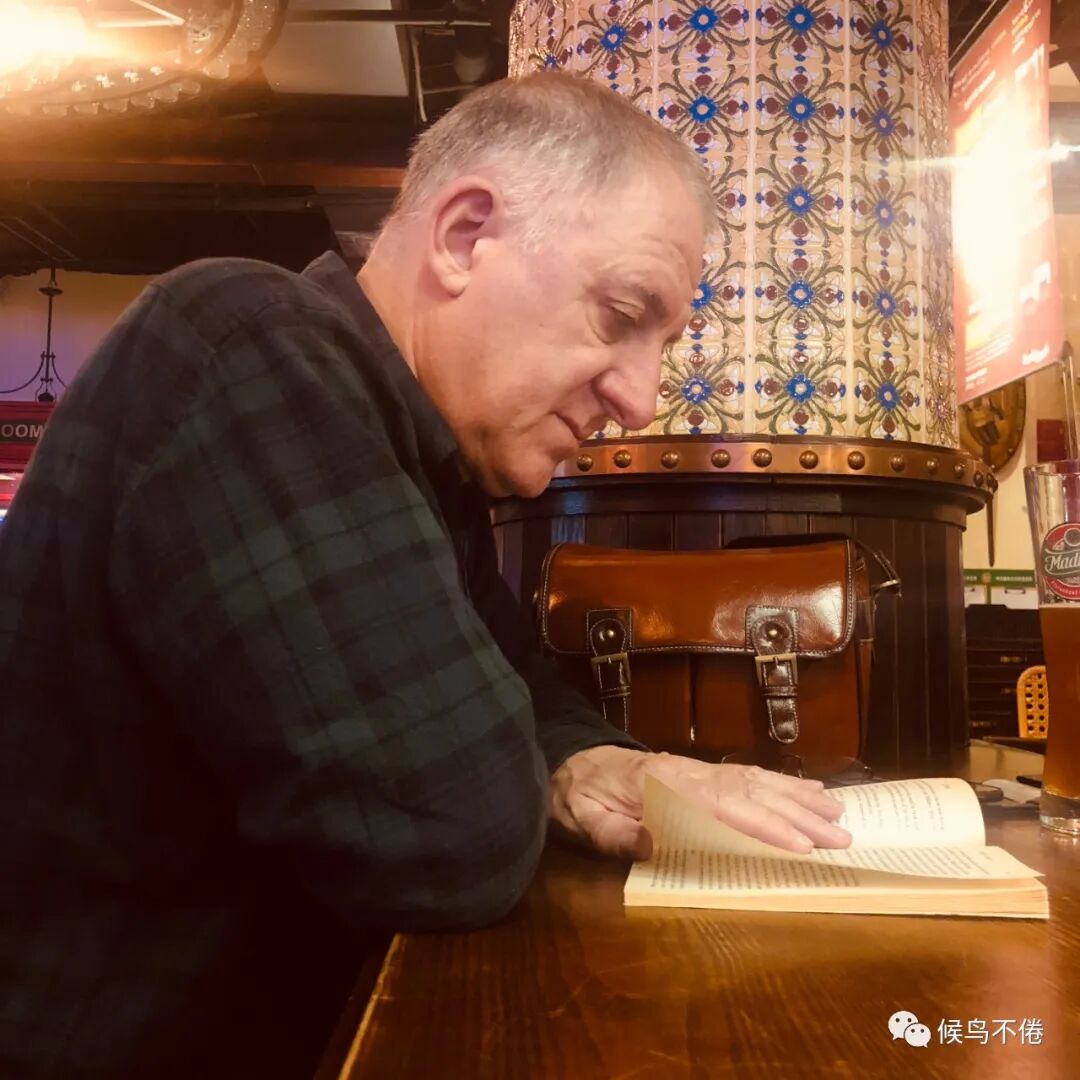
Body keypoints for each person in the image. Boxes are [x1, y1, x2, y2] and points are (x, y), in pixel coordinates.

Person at [0, 72, 850, 1078]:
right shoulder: (250, 340)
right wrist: (547, 774)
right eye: (622, 313)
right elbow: (447, 841)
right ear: (462, 236)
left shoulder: (420, 455)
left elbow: (527, 690)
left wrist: (594, 763)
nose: (640, 397)